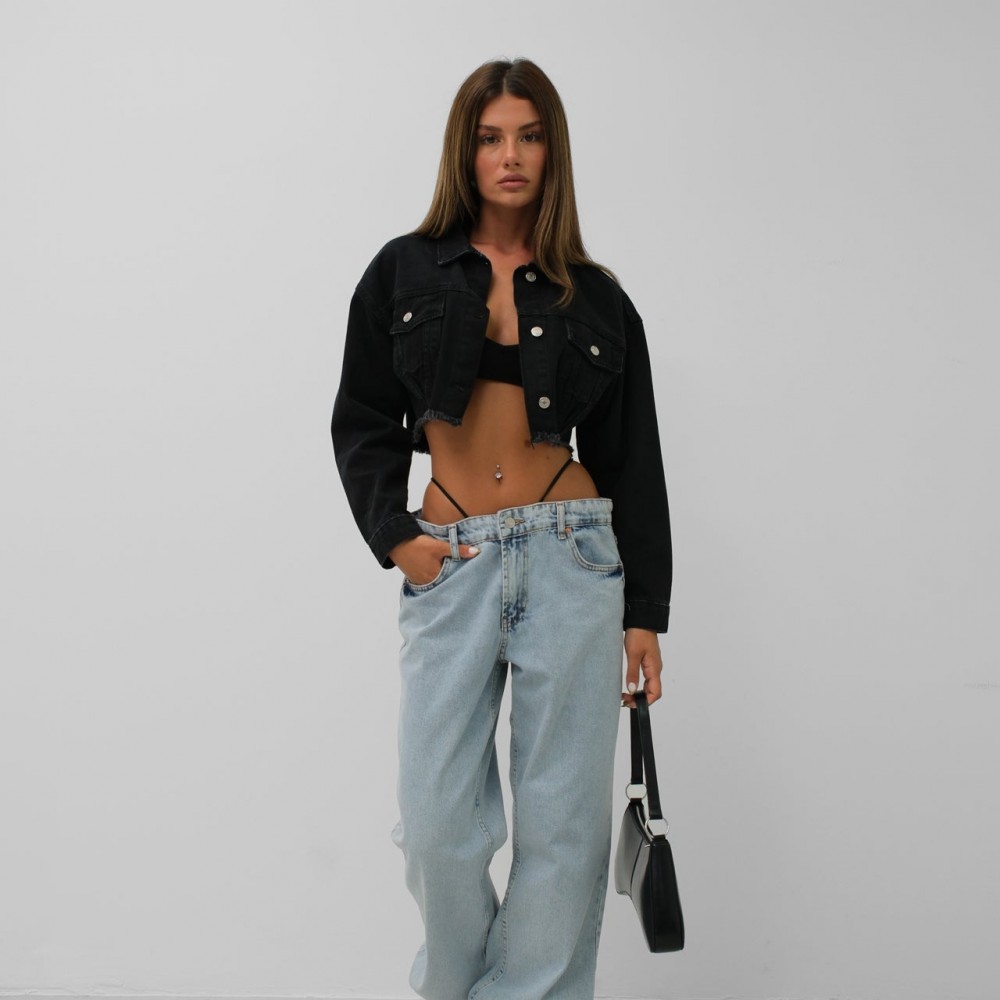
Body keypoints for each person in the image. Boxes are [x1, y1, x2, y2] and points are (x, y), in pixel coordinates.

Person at [331, 57, 672, 1000]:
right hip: (451, 560)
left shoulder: (595, 295)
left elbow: (634, 461)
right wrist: (397, 536)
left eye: (529, 136)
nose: (510, 155)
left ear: (552, 153)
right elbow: (361, 419)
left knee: (564, 828)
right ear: (465, 150)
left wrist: (645, 612)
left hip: (573, 557)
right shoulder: (402, 269)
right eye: (490, 137)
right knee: (436, 823)